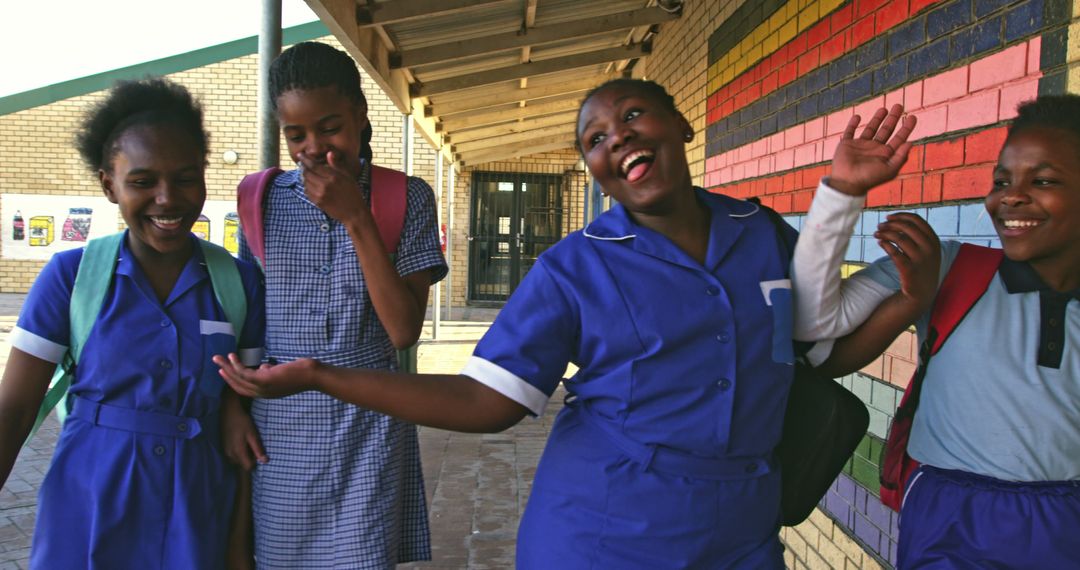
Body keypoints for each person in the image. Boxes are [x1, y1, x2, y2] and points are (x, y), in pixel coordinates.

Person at [217, 78, 825, 568]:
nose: (618, 139)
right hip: (611, 532)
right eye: (595, 138)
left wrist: (880, 262)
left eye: (635, 115)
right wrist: (320, 376)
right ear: (591, 167)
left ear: (681, 124)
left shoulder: (762, 232)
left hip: (745, 529)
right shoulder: (575, 267)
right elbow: (487, 399)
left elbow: (818, 346)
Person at [791, 96, 1080, 568]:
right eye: (1001, 180)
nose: (1010, 195)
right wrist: (842, 193)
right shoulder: (947, 265)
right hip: (952, 516)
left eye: (1043, 180)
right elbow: (814, 332)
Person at [0, 77, 266, 569]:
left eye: (186, 177)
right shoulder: (73, 277)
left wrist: (237, 543)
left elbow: (245, 415)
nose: (168, 198)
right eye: (143, 182)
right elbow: (14, 410)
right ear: (109, 185)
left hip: (198, 502)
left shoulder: (239, 285)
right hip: (89, 500)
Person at [224, 41, 447, 568]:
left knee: (362, 557)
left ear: (360, 115)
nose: (314, 147)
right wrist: (233, 407)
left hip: (369, 420)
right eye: (295, 134)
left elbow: (403, 331)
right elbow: (245, 322)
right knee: (280, 556)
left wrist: (356, 218)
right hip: (281, 422)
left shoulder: (405, 197)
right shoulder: (262, 201)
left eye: (330, 127)